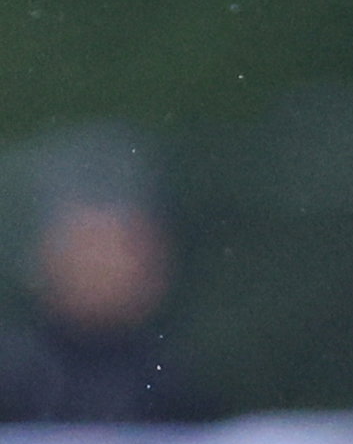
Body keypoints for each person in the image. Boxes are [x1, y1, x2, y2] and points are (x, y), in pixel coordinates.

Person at [0, 136, 206, 424]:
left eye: (117, 247)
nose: (101, 265)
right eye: (86, 246)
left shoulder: (175, 384)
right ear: (47, 256)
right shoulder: (17, 379)